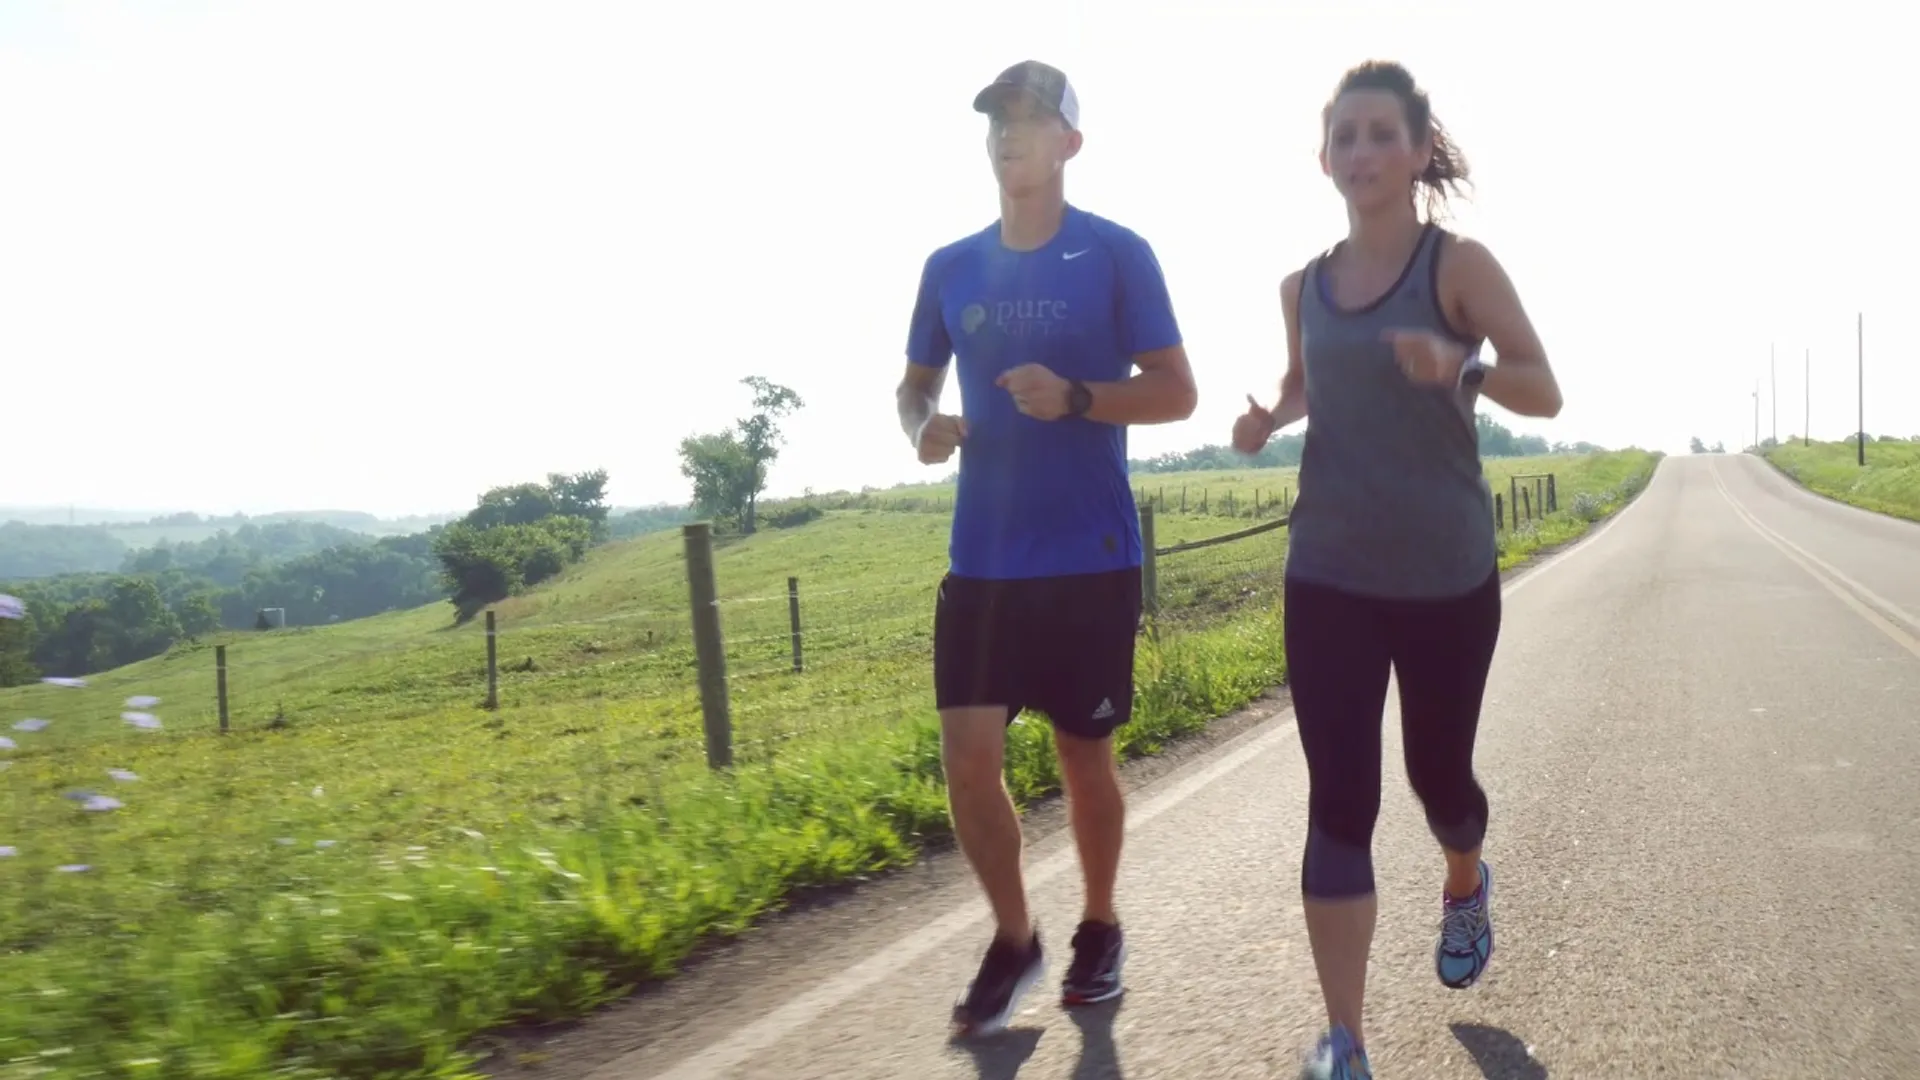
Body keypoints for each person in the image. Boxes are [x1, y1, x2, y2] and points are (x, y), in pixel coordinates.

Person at [1231, 60, 1564, 1079]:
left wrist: (1458, 366)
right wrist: (1265, 419)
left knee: (1439, 781)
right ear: (1325, 157)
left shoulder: (1457, 267)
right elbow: (1304, 385)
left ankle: (1465, 878)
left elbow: (1544, 390)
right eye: (1346, 136)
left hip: (1444, 577)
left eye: (1382, 134)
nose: (1362, 153)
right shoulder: (1303, 286)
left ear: (1419, 151)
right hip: (1326, 569)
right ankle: (1346, 1042)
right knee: (1340, 797)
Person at [897, 59, 1198, 1038]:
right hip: (981, 561)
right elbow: (910, 386)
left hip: (1088, 556)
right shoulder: (950, 267)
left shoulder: (1116, 255)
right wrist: (924, 427)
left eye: (1029, 120)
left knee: (1084, 761)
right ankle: (1015, 938)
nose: (1007, 135)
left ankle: (1099, 926)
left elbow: (1176, 392)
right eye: (996, 121)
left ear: (1070, 142)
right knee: (968, 765)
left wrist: (1077, 398)